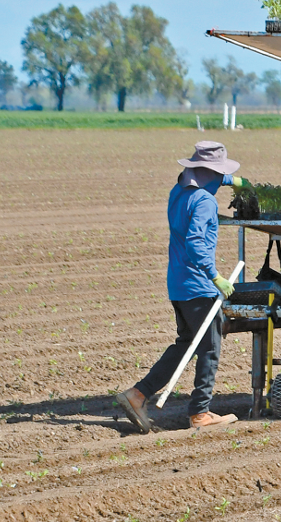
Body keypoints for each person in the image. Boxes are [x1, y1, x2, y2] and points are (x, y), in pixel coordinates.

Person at [115, 141, 250, 432]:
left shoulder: (179, 192)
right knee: (210, 348)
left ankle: (137, 395)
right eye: (221, 173)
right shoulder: (204, 201)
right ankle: (200, 413)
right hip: (199, 285)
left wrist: (234, 181)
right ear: (209, 172)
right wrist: (215, 277)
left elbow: (210, 179)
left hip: (178, 283)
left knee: (187, 345)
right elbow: (196, 243)